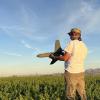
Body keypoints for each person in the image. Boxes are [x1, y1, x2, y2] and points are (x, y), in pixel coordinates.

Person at [49, 28, 88, 100]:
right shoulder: (84, 45)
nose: (69, 36)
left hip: (71, 72)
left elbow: (65, 58)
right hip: (81, 72)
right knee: (81, 93)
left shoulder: (72, 43)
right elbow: (74, 56)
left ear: (73, 35)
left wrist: (54, 57)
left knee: (70, 95)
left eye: (70, 35)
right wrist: (64, 53)